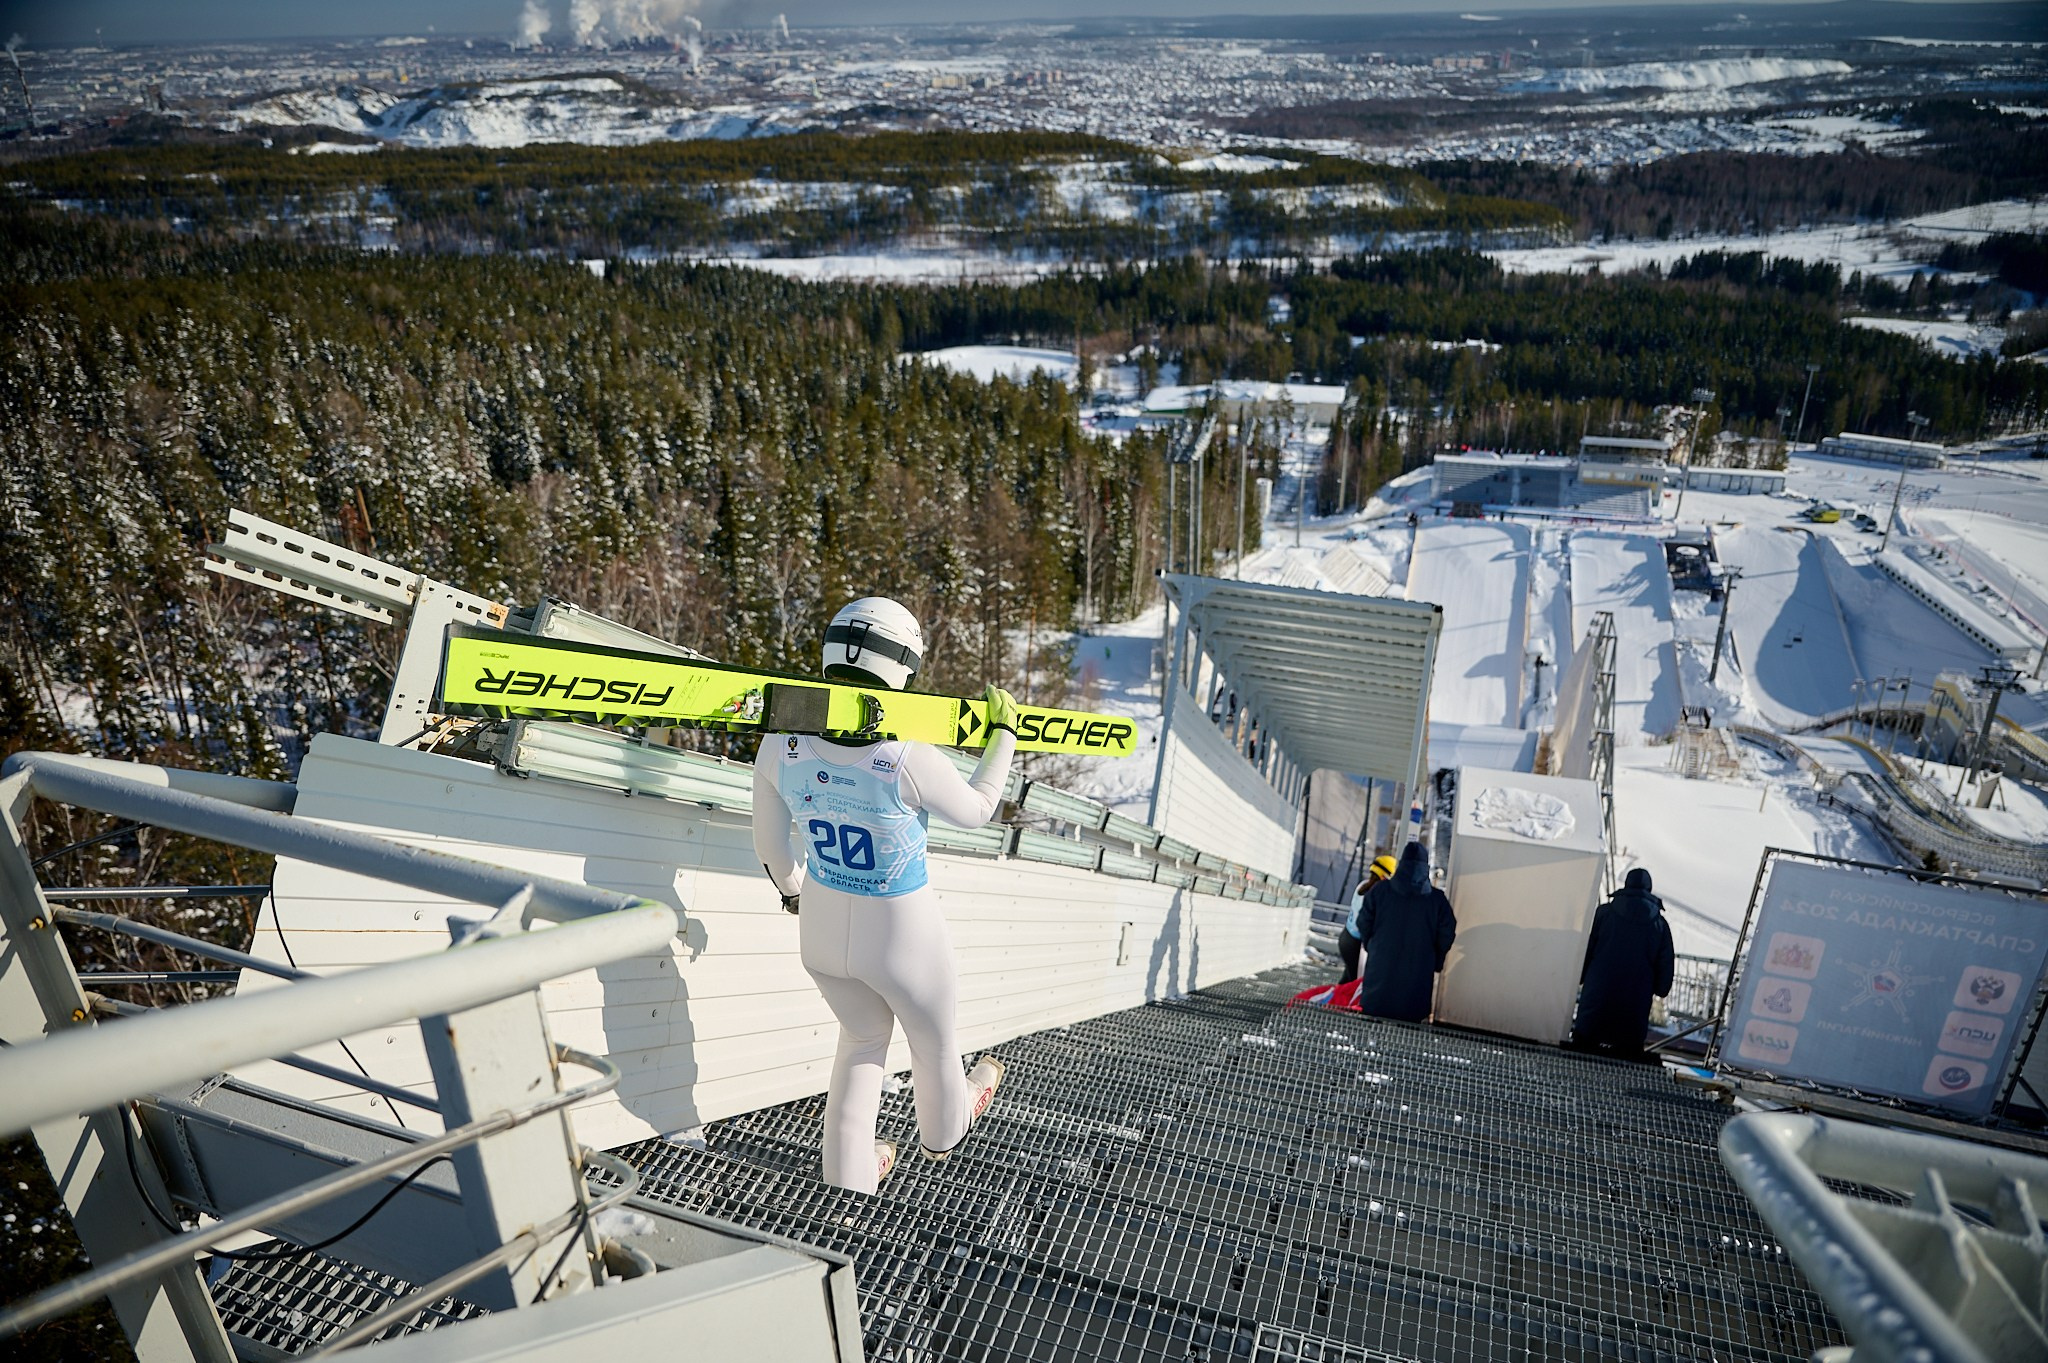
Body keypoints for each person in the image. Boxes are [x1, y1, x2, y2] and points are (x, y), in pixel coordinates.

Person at [751, 596, 1019, 1194]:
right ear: (903, 667)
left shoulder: (780, 744)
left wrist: (794, 894)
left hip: (822, 927)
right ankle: (944, 1133)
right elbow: (978, 810)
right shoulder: (907, 756)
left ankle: (849, 1180)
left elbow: (770, 847)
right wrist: (1004, 736)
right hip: (902, 931)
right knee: (934, 1043)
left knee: (861, 1041)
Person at [1571, 868, 1676, 1058]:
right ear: (1649, 889)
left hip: (1594, 1006)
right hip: (1633, 1015)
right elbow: (1664, 973)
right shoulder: (1660, 926)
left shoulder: (1603, 914)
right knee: (1625, 1059)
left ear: (1626, 885)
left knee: (1581, 1057)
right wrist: (1659, 988)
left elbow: (1586, 950)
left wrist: (1580, 976)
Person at [1353, 841, 1457, 1023]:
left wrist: (1372, 945)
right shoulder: (1437, 901)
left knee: (1370, 1027)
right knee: (1409, 1027)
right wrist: (1435, 960)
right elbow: (1447, 933)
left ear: (1401, 863)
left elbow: (1363, 921)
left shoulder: (1380, 891)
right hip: (1415, 992)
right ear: (1426, 868)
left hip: (1378, 988)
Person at [1338, 854, 1397, 986]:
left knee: (1348, 979)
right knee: (1355, 985)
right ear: (1384, 877)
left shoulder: (1363, 885)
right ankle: (1336, 999)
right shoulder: (1374, 895)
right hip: (1357, 945)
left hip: (1346, 938)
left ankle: (1334, 997)